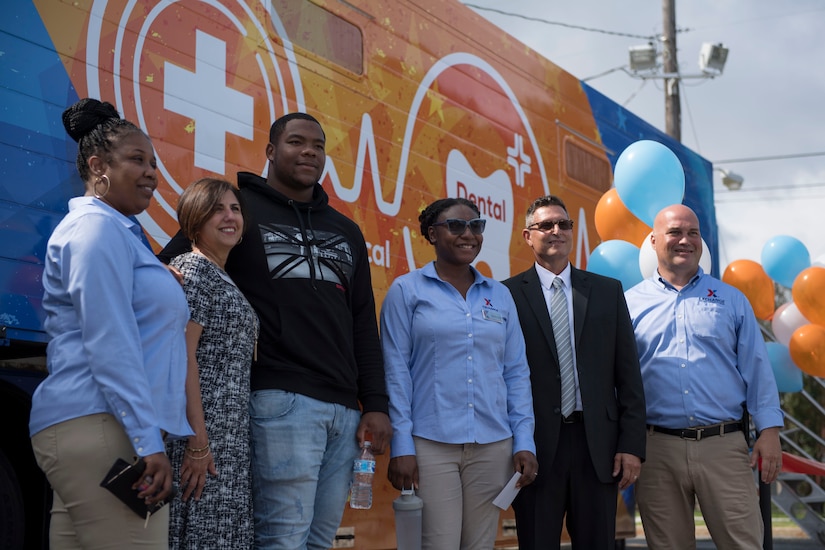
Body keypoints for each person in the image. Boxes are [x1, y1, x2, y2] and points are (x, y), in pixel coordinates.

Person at [159, 112, 392, 550]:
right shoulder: (239, 209)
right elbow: (181, 261)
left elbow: (362, 319)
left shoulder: (347, 231)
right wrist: (163, 277)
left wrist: (375, 403)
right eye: (296, 142)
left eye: (318, 146)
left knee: (319, 542)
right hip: (279, 400)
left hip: (344, 411)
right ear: (270, 151)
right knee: (281, 541)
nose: (309, 152)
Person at [29, 98, 192, 549]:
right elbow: (110, 343)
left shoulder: (119, 236)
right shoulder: (96, 231)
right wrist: (147, 442)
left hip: (90, 428)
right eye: (136, 160)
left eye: (154, 164)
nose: (151, 174)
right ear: (98, 166)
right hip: (103, 427)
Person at [381, 197, 538, 549]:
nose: (468, 234)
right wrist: (401, 444)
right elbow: (395, 373)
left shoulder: (500, 295)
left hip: (493, 445)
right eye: (456, 226)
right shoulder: (406, 291)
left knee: (480, 546)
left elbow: (515, 373)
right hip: (431, 443)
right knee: (439, 544)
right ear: (432, 234)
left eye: (476, 226)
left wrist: (524, 440)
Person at [624, 204, 783, 549]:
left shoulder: (731, 300)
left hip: (723, 446)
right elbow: (618, 382)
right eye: (675, 232)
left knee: (744, 544)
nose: (685, 240)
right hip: (656, 451)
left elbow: (757, 369)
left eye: (692, 233)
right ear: (653, 241)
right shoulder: (629, 305)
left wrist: (769, 431)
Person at [503, 195, 646, 549]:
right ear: (527, 235)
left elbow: (628, 377)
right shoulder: (505, 296)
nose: (556, 231)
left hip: (597, 448)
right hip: (534, 449)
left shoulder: (607, 292)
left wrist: (631, 446)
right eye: (546, 225)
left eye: (563, 224)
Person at [166, 178, 259, 548]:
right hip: (202, 438)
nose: (229, 216)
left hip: (228, 439)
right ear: (194, 219)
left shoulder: (219, 273)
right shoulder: (193, 270)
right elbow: (182, 354)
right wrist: (197, 441)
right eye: (217, 209)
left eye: (235, 209)